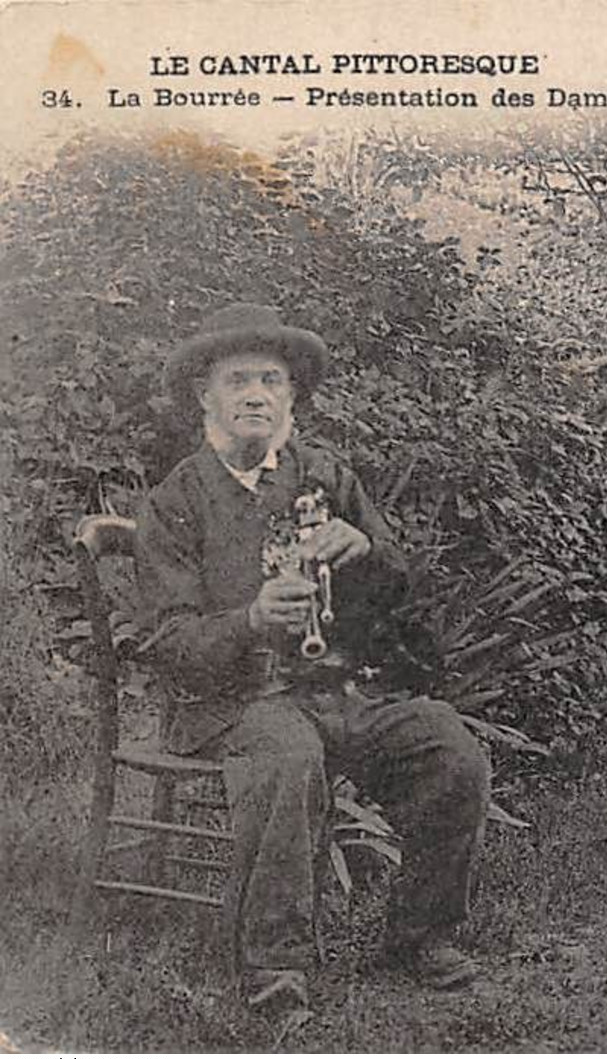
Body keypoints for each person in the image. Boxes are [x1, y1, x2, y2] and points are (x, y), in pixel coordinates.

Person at [136, 303, 491, 1011]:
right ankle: (276, 965)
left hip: (336, 690)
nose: (256, 395)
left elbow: (400, 581)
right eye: (238, 380)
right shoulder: (176, 499)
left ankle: (420, 934)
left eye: (271, 379)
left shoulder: (322, 475)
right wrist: (249, 620)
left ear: (292, 395)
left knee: (450, 748)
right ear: (205, 394)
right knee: (288, 755)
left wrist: (365, 551)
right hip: (231, 700)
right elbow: (167, 643)